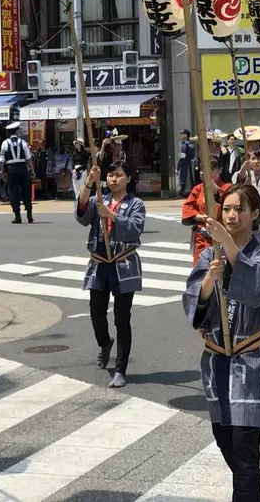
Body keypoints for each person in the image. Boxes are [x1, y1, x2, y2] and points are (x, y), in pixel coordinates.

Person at [183, 184, 260, 502]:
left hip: (251, 358)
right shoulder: (209, 255)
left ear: (254, 214)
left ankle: (249, 485)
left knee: (244, 445)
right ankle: (252, 479)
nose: (232, 215)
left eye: (239, 209)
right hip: (217, 361)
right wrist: (210, 281)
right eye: (226, 208)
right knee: (225, 440)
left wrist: (229, 247)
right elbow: (195, 309)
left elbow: (258, 292)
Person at [75, 161, 145, 389]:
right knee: (96, 312)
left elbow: (135, 228)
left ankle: (120, 369)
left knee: (122, 317)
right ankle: (105, 343)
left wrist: (113, 216)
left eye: (119, 175)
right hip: (99, 263)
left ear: (128, 179)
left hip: (123, 263)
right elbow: (82, 214)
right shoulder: (98, 199)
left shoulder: (136, 204)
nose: (114, 179)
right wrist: (88, 183)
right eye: (110, 175)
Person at [182, 157, 231, 265]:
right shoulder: (198, 189)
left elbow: (226, 202)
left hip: (221, 235)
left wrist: (211, 184)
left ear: (220, 170)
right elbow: (188, 207)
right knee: (200, 269)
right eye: (206, 169)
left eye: (213, 169)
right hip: (202, 236)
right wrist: (199, 217)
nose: (210, 172)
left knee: (220, 269)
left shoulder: (228, 187)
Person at [0, 122, 34, 225]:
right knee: (26, 191)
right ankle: (29, 215)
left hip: (11, 169)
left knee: (14, 193)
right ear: (17, 131)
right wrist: (32, 170)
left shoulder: (5, 143)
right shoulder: (22, 142)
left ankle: (17, 216)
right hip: (23, 168)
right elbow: (28, 158)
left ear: (9, 133)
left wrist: (2, 173)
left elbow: (1, 160)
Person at [177, 129, 195, 197]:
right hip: (192, 165)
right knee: (191, 181)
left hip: (185, 166)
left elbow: (182, 157)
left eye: (182, 134)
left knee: (184, 181)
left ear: (185, 135)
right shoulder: (191, 143)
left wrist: (178, 167)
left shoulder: (184, 145)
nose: (181, 136)